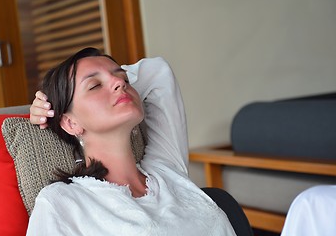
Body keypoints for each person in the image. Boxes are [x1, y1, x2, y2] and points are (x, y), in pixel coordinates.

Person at [27, 47, 236, 235]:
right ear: (71, 123)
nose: (120, 83)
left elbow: (158, 71)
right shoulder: (62, 202)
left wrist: (106, 81)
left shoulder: (167, 170)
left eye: (125, 79)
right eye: (95, 86)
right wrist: (54, 103)